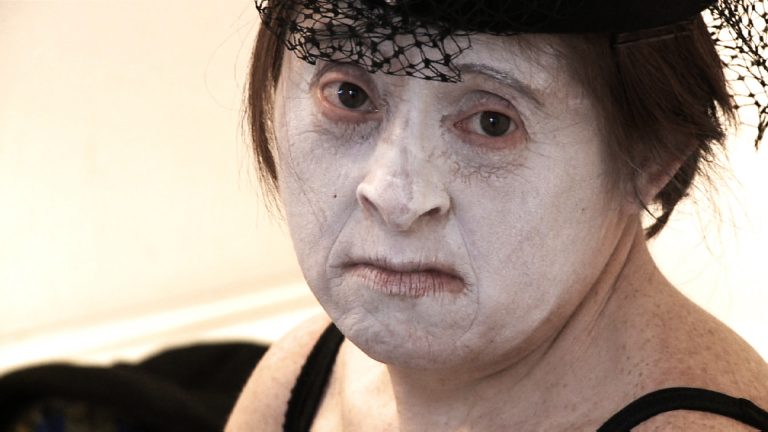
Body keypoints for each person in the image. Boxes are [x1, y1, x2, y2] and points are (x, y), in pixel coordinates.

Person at [227, 0, 768, 430]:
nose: (394, 197)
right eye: (349, 95)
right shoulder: (304, 376)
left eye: (492, 122)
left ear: (650, 161)